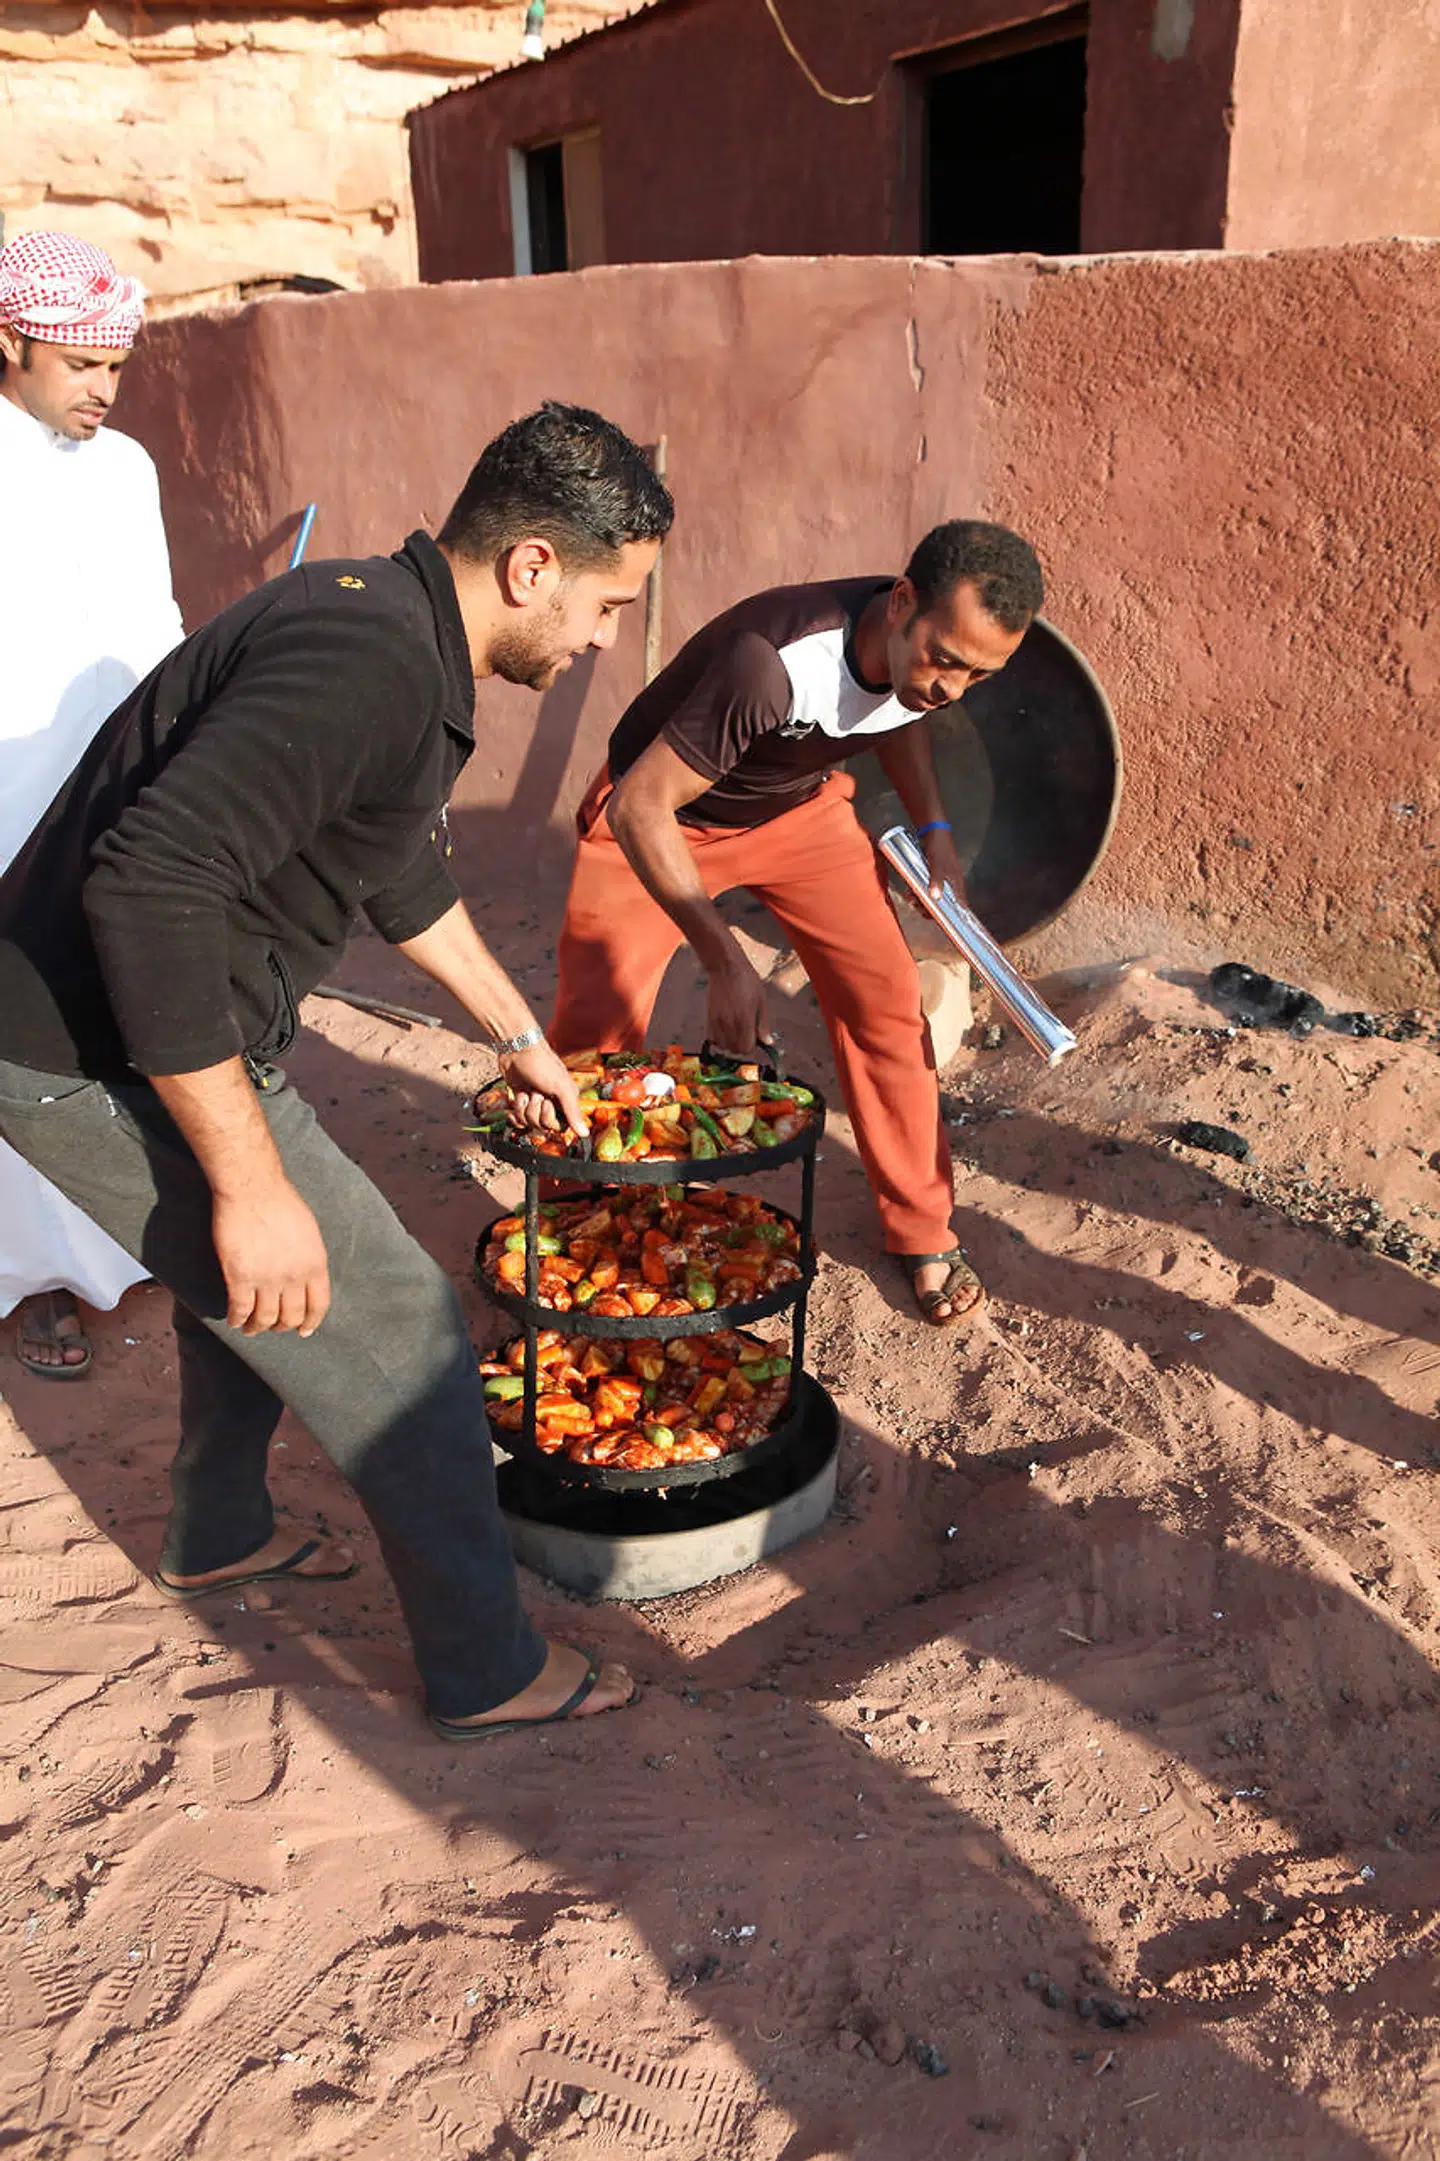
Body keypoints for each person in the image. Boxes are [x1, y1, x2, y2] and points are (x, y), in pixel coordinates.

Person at [0, 400, 673, 1739]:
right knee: (406, 1331)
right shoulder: (370, 656)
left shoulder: (392, 627)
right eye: (605, 607)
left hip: (166, 1033)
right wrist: (247, 1179)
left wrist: (519, 1036)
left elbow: (395, 867)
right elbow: (150, 887)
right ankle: (490, 1670)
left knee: (260, 1292)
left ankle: (216, 1531)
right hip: (80, 1050)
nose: (602, 641)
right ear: (532, 565)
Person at [549, 520, 1044, 1325]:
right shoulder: (773, 663)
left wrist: (936, 834)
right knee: (594, 1031)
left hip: (796, 814)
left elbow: (901, 715)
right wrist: (722, 956)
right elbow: (643, 804)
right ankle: (575, 1216)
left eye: (978, 676)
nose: (952, 687)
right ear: (903, 602)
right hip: (664, 816)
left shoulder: (917, 667)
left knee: (887, 1004)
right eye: (946, 659)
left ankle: (922, 1227)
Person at [0, 230, 184, 1379]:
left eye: (117, 365)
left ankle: (114, 1241)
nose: (103, 391)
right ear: (11, 344)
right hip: (5, 796)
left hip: (118, 793)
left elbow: (154, 624)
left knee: (109, 1015)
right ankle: (31, 1279)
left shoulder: (129, 472)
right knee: (12, 1028)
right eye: (80, 365)